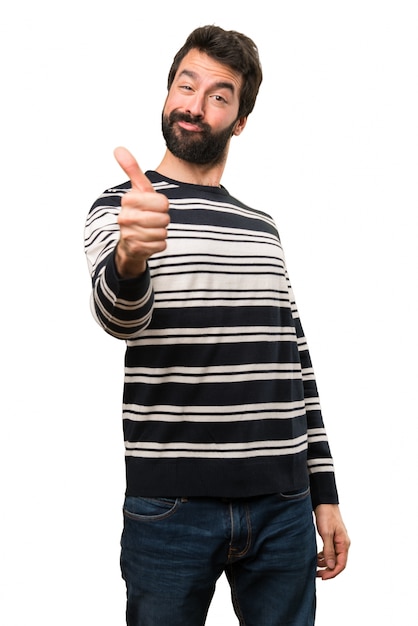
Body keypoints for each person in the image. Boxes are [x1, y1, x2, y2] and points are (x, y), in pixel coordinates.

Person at [84, 24, 350, 626]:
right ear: (167, 92)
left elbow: (296, 364)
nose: (195, 105)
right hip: (171, 508)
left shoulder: (263, 229)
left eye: (219, 95)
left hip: (283, 506)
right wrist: (131, 255)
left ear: (240, 119)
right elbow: (117, 317)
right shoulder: (120, 208)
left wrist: (325, 495)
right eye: (186, 84)